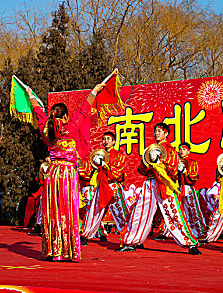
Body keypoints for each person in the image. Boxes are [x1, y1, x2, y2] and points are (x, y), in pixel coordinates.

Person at [26, 83, 104, 261]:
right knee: (68, 212)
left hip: (53, 174)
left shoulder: (48, 131)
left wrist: (31, 96)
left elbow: (39, 113)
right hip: (68, 174)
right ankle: (69, 251)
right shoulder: (70, 128)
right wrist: (95, 91)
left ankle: (53, 251)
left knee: (52, 211)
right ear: (66, 116)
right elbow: (84, 110)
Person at [117, 122, 202, 255]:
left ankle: (190, 244)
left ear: (166, 133)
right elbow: (141, 168)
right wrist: (148, 164)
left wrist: (159, 164)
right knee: (140, 211)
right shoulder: (150, 149)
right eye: (155, 131)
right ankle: (131, 241)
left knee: (173, 212)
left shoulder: (170, 150)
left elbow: (173, 171)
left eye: (160, 131)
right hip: (149, 183)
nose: (156, 133)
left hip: (164, 184)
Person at [80, 131, 129, 245]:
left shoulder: (119, 155)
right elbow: (90, 172)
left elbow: (117, 173)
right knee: (94, 210)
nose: (105, 141)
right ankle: (85, 235)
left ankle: (128, 237)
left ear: (114, 141)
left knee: (121, 212)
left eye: (108, 139)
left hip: (113, 186)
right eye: (104, 139)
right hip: (101, 186)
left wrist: (104, 165)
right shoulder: (98, 155)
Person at [177, 142, 207, 241]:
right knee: (178, 210)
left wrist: (185, 172)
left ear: (188, 151)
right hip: (178, 188)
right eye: (180, 149)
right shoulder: (175, 162)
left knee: (193, 210)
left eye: (184, 149)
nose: (182, 151)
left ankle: (199, 232)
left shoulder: (192, 162)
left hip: (188, 188)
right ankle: (181, 232)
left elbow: (194, 177)